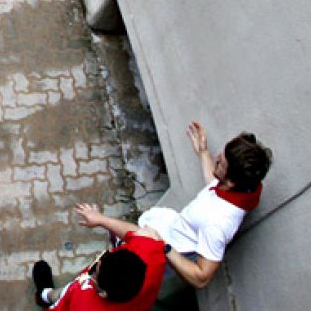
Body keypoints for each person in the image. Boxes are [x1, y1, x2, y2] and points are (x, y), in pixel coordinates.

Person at [125, 123, 274, 290]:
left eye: (221, 162)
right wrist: (203, 152)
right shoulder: (242, 191)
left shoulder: (217, 224)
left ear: (232, 182)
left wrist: (164, 246)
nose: (217, 156)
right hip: (169, 236)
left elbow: (201, 277)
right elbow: (215, 184)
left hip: (169, 261)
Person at [29, 211, 165, 310]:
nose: (96, 265)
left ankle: (45, 295)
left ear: (103, 293)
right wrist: (100, 219)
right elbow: (143, 234)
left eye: (95, 273)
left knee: (63, 295)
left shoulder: (83, 300)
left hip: (69, 301)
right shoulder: (152, 255)